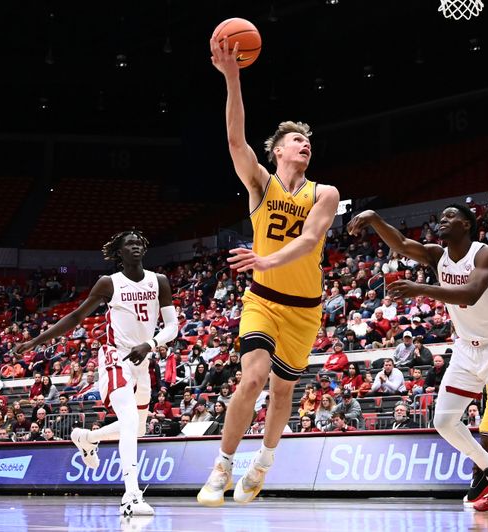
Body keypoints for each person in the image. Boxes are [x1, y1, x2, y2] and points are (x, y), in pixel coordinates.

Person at [199, 36, 340, 508]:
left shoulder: (325, 192)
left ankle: (264, 463)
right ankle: (222, 466)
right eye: (297, 140)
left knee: (283, 393)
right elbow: (236, 140)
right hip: (262, 300)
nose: (306, 145)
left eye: (308, 142)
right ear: (278, 150)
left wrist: (266, 258)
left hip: (305, 308)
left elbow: (308, 241)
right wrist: (233, 78)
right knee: (252, 379)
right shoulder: (260, 182)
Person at [348, 205, 488, 515]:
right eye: (441, 216)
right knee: (442, 421)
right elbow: (400, 244)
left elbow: (469, 294)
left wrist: (420, 289)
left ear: (467, 225)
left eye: (450, 216)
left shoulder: (486, 254)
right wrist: (374, 219)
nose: (442, 220)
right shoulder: (437, 255)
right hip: (466, 349)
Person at [15, 230, 177, 517]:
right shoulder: (109, 283)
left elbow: (172, 328)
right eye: (130, 244)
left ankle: (88, 439)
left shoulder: (159, 281)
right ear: (119, 252)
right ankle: (131, 495)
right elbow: (76, 317)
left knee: (137, 429)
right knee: (128, 420)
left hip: (144, 357)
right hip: (116, 355)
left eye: (139, 242)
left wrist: (150, 344)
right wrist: (36, 341)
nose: (136, 246)